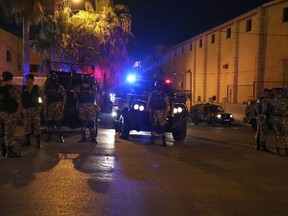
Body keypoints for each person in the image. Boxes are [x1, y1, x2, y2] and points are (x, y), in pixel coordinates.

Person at [0, 71, 21, 157]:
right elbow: (19, 101)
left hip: (1, 113)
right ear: (10, 79)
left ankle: (3, 151)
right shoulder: (11, 89)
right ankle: (10, 152)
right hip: (9, 114)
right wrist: (18, 112)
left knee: (2, 132)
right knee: (10, 132)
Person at [74, 74, 99, 143]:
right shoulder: (92, 87)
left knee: (85, 122)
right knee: (89, 122)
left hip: (83, 106)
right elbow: (97, 96)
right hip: (89, 106)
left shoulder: (78, 87)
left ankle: (85, 137)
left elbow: (75, 97)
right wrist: (97, 105)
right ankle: (91, 138)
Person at [21, 74, 44, 148]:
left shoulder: (37, 88)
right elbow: (21, 99)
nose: (27, 81)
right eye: (26, 80)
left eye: (28, 79)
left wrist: (40, 105)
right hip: (26, 109)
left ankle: (38, 143)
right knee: (27, 126)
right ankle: (27, 141)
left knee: (37, 125)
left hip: (35, 109)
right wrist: (21, 108)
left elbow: (40, 97)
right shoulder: (23, 88)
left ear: (32, 80)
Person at [43, 72, 66, 143]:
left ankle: (60, 136)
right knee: (48, 122)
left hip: (58, 106)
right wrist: (44, 105)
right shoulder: (46, 87)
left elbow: (64, 96)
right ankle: (48, 137)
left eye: (54, 78)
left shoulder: (60, 86)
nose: (53, 80)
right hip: (49, 106)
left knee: (59, 122)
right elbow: (43, 96)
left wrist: (63, 106)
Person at [146, 80, 170, 147]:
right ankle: (152, 140)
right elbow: (148, 103)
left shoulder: (164, 95)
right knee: (153, 127)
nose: (158, 89)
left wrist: (165, 114)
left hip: (161, 112)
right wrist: (150, 111)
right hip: (154, 112)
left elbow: (167, 105)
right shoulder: (152, 94)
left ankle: (163, 142)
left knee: (162, 127)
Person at [271, 88, 288, 156]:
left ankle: (277, 150)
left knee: (276, 134)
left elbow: (269, 110)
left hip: (275, 119)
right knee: (285, 135)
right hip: (283, 119)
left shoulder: (273, 101)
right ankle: (285, 150)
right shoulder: (285, 101)